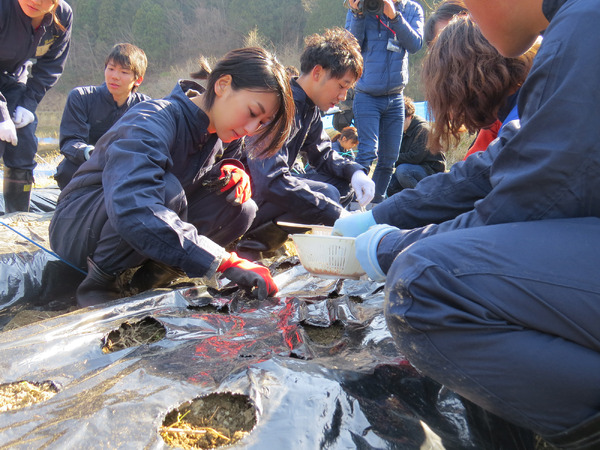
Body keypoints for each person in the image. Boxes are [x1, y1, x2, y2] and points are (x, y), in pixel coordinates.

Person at [332, 0, 600, 447]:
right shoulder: (572, 34)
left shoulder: (583, 26)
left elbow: (526, 205)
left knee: (423, 284)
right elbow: (482, 175)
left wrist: (391, 247)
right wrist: (379, 215)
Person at [49, 47, 295, 307]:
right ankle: (103, 281)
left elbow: (210, 176)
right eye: (253, 112)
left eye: (261, 123)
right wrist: (223, 261)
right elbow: (133, 205)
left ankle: (151, 278)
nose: (250, 128)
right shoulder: (152, 120)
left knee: (240, 206)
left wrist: (233, 171)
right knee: (167, 191)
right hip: (79, 227)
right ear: (222, 85)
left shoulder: (224, 135)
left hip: (133, 225)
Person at [234, 28, 374, 257]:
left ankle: (266, 239)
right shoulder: (280, 104)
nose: (343, 96)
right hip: (246, 196)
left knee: (343, 183)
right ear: (318, 72)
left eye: (348, 89)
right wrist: (335, 213)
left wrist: (355, 171)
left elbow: (324, 154)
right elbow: (269, 181)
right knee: (327, 194)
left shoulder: (309, 108)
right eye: (341, 85)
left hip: (267, 188)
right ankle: (249, 245)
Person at [422, 15, 538, 159]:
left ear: (463, 85)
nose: (453, 113)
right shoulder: (530, 100)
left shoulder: (521, 122)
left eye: (449, 96)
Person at [345, 0, 424, 203]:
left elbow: (415, 44)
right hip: (366, 94)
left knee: (389, 158)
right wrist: (358, 15)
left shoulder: (412, 9)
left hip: (396, 96)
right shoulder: (362, 6)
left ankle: (375, 203)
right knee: (366, 153)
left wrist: (395, 17)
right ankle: (354, 201)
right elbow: (351, 47)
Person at [0, 0, 72, 213]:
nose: (35, 1)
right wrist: (2, 112)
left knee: (23, 140)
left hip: (13, 78)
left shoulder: (63, 16)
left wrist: (28, 104)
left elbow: (52, 65)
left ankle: (17, 217)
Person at [54, 43, 150, 190]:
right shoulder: (81, 97)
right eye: (111, 69)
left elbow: (148, 146)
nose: (115, 76)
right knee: (67, 169)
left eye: (124, 72)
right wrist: (91, 153)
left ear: (138, 80)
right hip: (86, 164)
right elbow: (70, 142)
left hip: (124, 167)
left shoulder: (145, 106)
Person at [386, 96, 444, 196]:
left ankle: (426, 200)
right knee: (390, 186)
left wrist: (390, 157)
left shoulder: (423, 129)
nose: (397, 124)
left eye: (400, 120)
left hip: (431, 171)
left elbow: (415, 157)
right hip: (413, 168)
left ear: (409, 117)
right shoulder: (402, 130)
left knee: (402, 171)